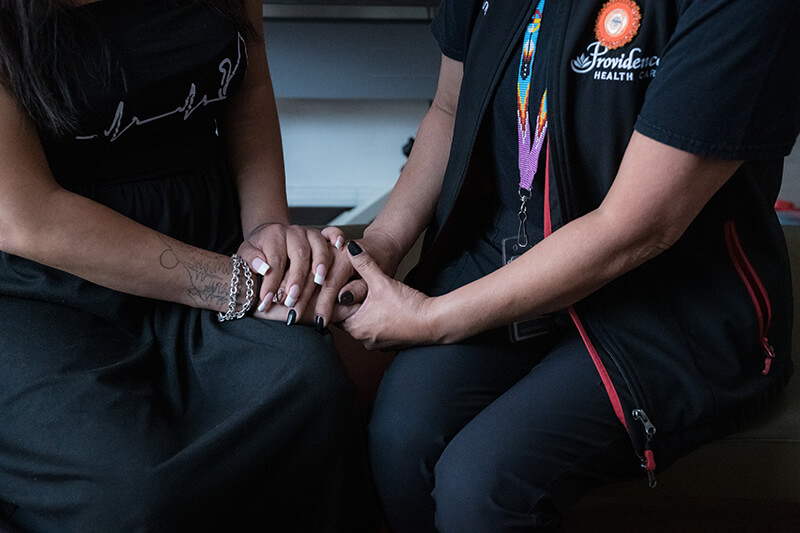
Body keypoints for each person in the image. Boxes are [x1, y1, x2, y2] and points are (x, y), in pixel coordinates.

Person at [324, 0, 800, 531]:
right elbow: (448, 110)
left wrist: (431, 317)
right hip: (497, 262)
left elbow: (638, 227)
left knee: (482, 487)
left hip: (666, 301)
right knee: (399, 440)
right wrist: (380, 246)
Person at [0, 0, 368, 531]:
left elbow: (249, 88)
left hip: (207, 231)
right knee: (133, 491)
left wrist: (268, 236)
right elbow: (26, 216)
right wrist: (237, 286)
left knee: (311, 390)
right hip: (42, 280)